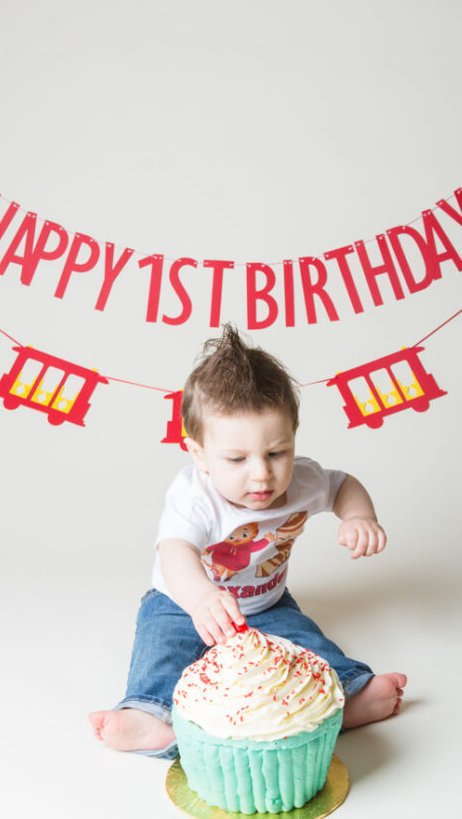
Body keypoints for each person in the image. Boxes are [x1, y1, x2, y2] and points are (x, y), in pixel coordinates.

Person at [89, 325, 406, 759]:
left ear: (293, 438)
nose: (261, 474)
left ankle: (347, 694)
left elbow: (342, 485)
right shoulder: (194, 495)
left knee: (306, 645)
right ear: (198, 453)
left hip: (267, 604)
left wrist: (359, 515)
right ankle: (151, 716)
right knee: (163, 649)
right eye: (237, 459)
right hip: (179, 603)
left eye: (277, 453)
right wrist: (201, 598)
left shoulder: (303, 480)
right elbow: (175, 550)